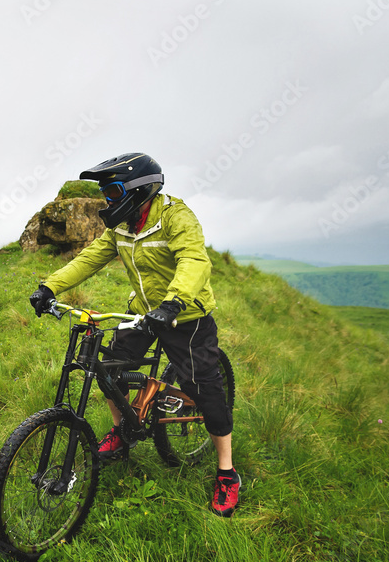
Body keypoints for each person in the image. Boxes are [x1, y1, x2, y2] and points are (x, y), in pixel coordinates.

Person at [28, 153, 240, 517]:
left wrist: (173, 303)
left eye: (112, 191)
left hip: (185, 314)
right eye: (105, 193)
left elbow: (194, 261)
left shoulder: (176, 216)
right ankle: (121, 432)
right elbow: (90, 258)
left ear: (139, 189)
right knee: (107, 367)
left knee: (204, 388)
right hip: (143, 313)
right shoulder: (123, 225)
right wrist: (49, 286)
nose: (108, 201)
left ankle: (227, 473)